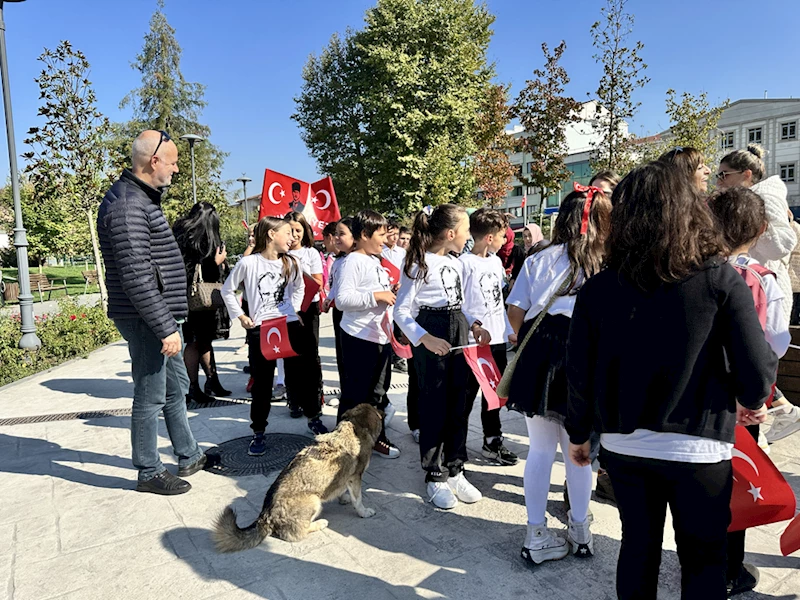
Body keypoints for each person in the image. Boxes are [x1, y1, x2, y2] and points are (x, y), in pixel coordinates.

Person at [566, 162, 777, 599]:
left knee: (638, 549)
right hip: (701, 446)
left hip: (625, 444)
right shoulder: (720, 279)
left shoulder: (599, 288)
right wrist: (752, 398)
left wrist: (578, 433)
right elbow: (756, 369)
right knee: (703, 560)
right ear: (690, 211)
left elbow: (579, 371)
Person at [505, 184, 611, 565]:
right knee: (579, 452)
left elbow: (515, 314)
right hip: (589, 354)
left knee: (539, 449)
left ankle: (536, 534)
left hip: (541, 352)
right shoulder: (610, 261)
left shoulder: (538, 259)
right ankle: (580, 529)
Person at [97, 130, 205, 495]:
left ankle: (188, 454)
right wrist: (164, 327)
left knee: (177, 386)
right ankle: (148, 471)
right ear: (153, 161)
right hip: (145, 318)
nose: (176, 169)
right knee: (150, 394)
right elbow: (136, 275)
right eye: (173, 162)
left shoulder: (140, 198)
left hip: (156, 315)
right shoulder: (128, 206)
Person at [708, 185, 790, 595]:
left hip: (699, 398)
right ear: (760, 230)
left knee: (702, 481)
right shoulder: (763, 280)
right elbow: (775, 342)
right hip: (744, 400)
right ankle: (728, 568)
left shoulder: (691, 272)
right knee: (740, 480)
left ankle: (698, 558)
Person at [395, 204, 491, 509]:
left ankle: (455, 468)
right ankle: (434, 475)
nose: (467, 236)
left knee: (459, 403)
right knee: (434, 404)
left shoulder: (458, 262)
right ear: (450, 233)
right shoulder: (417, 263)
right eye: (465, 229)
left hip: (458, 331)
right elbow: (401, 311)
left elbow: (459, 302)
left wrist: (474, 324)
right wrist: (424, 338)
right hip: (431, 332)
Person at [221, 216, 328, 453]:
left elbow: (301, 287)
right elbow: (228, 291)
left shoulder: (291, 262)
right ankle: (258, 431)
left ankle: (313, 417)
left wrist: (297, 310)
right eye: (287, 233)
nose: (292, 238)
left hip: (289, 325)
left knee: (302, 375)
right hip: (263, 329)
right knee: (262, 382)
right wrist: (241, 316)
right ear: (271, 235)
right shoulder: (248, 264)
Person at [717, 144, 799, 440]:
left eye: (724, 175)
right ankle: (779, 409)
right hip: (747, 282)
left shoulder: (764, 197)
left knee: (749, 358)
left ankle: (776, 413)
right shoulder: (753, 197)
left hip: (757, 287)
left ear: (747, 174)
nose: (719, 181)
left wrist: (746, 238)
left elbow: (781, 243)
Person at [336, 210, 401, 459]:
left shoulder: (374, 260)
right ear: (364, 235)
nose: (385, 240)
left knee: (377, 394)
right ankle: (344, 445)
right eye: (382, 235)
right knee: (355, 395)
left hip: (379, 336)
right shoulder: (352, 261)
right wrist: (377, 296)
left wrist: (389, 291)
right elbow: (342, 300)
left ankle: (374, 437)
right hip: (359, 338)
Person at [459, 208, 519, 466]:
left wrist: (508, 331)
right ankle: (456, 444)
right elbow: (458, 303)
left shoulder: (495, 262)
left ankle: (492, 440)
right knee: (466, 395)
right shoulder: (463, 264)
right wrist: (474, 325)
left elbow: (498, 301)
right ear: (489, 237)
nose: (506, 240)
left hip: (496, 340)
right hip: (474, 343)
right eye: (502, 236)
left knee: (494, 393)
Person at [173, 202, 231, 405]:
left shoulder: (182, 234)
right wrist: (215, 262)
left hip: (193, 298)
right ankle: (192, 387)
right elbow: (195, 270)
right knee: (196, 341)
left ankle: (211, 381)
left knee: (204, 340)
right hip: (196, 298)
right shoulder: (195, 238)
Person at [286, 211, 325, 417]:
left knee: (310, 354)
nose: (294, 235)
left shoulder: (311, 253)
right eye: (289, 230)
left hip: (308, 308)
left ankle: (314, 399)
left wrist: (301, 275)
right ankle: (294, 400)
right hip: (286, 310)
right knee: (291, 356)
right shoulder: (279, 253)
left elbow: (318, 282)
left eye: (298, 230)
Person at [324, 217, 355, 395]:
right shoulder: (337, 261)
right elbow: (335, 285)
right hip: (340, 313)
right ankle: (347, 391)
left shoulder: (361, 260)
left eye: (341, 234)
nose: (336, 238)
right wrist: (329, 298)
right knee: (342, 355)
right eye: (335, 234)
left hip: (356, 316)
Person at [382, 219, 408, 373]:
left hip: (400, 292)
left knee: (399, 324)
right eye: (390, 234)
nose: (394, 238)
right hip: (386, 293)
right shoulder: (379, 252)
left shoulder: (403, 253)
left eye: (396, 234)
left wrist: (401, 284)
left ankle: (399, 357)